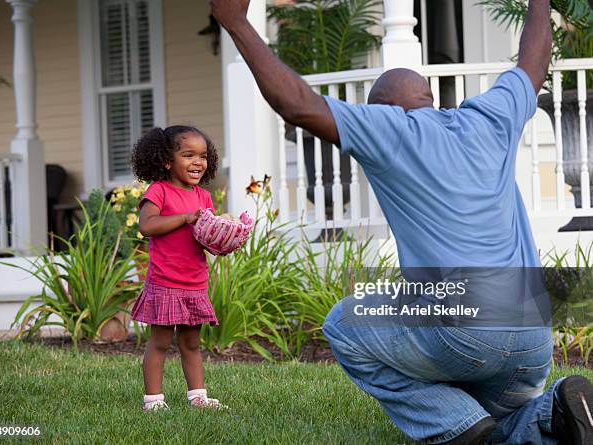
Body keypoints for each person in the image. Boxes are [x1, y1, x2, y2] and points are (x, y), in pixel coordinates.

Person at [210, 0, 592, 443]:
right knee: (500, 413)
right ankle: (557, 407)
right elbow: (534, 62)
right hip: (532, 341)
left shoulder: (391, 129)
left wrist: (235, 22)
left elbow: (297, 105)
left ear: (386, 109)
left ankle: (462, 429)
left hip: (466, 335)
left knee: (343, 324)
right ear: (428, 98)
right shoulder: (491, 118)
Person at [130, 125, 226, 411]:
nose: (198, 162)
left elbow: (205, 237)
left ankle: (197, 396)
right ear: (167, 160)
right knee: (160, 342)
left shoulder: (203, 197)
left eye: (203, 156)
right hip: (165, 282)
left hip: (194, 282)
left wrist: (224, 238)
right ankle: (154, 400)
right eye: (188, 155)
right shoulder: (159, 191)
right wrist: (185, 217)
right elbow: (147, 226)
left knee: (191, 343)